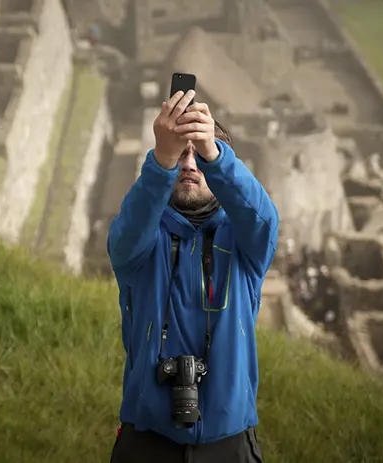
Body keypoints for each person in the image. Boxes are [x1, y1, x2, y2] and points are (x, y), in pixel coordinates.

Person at [107, 89, 278, 462]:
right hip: (148, 437)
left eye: (198, 156)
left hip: (229, 440)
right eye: (182, 155)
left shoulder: (245, 243)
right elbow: (126, 235)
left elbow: (265, 222)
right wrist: (161, 159)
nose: (190, 165)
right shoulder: (143, 240)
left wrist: (213, 153)